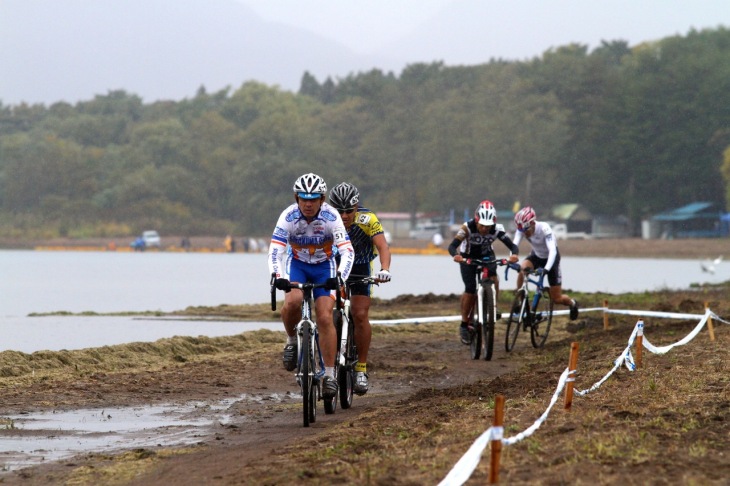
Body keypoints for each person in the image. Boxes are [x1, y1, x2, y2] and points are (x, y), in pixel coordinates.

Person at [267, 173, 355, 400]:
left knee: (325, 317)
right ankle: (291, 341)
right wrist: (277, 276)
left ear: (322, 199)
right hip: (297, 265)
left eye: (313, 199)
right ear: (297, 198)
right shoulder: (288, 216)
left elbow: (347, 251)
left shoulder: (331, 216)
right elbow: (276, 250)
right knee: (293, 302)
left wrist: (340, 277)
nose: (308, 204)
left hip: (324, 266)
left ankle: (329, 374)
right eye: (303, 198)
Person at [328, 182, 392, 395]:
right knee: (325, 313)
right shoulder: (325, 218)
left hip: (361, 267)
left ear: (357, 206)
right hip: (335, 267)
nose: (344, 216)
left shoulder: (368, 219)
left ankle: (361, 369)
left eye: (349, 211)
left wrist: (385, 269)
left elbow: (383, 246)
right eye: (339, 211)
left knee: (360, 314)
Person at [448, 201, 519, 344]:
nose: (485, 229)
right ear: (476, 220)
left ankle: (493, 307)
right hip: (467, 257)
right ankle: (464, 324)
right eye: (482, 225)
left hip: (486, 255)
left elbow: (512, 246)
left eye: (488, 226)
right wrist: (456, 256)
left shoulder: (497, 229)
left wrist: (514, 255)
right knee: (470, 289)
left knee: (494, 277)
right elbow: (452, 246)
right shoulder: (467, 227)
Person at [512, 206, 579, 320]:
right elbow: (514, 245)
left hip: (551, 260)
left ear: (532, 223)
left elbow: (552, 251)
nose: (525, 234)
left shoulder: (544, 228)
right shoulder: (522, 228)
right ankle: (520, 301)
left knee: (556, 299)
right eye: (522, 231)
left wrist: (546, 269)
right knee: (522, 270)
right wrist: (512, 258)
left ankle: (572, 303)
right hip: (536, 256)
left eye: (526, 230)